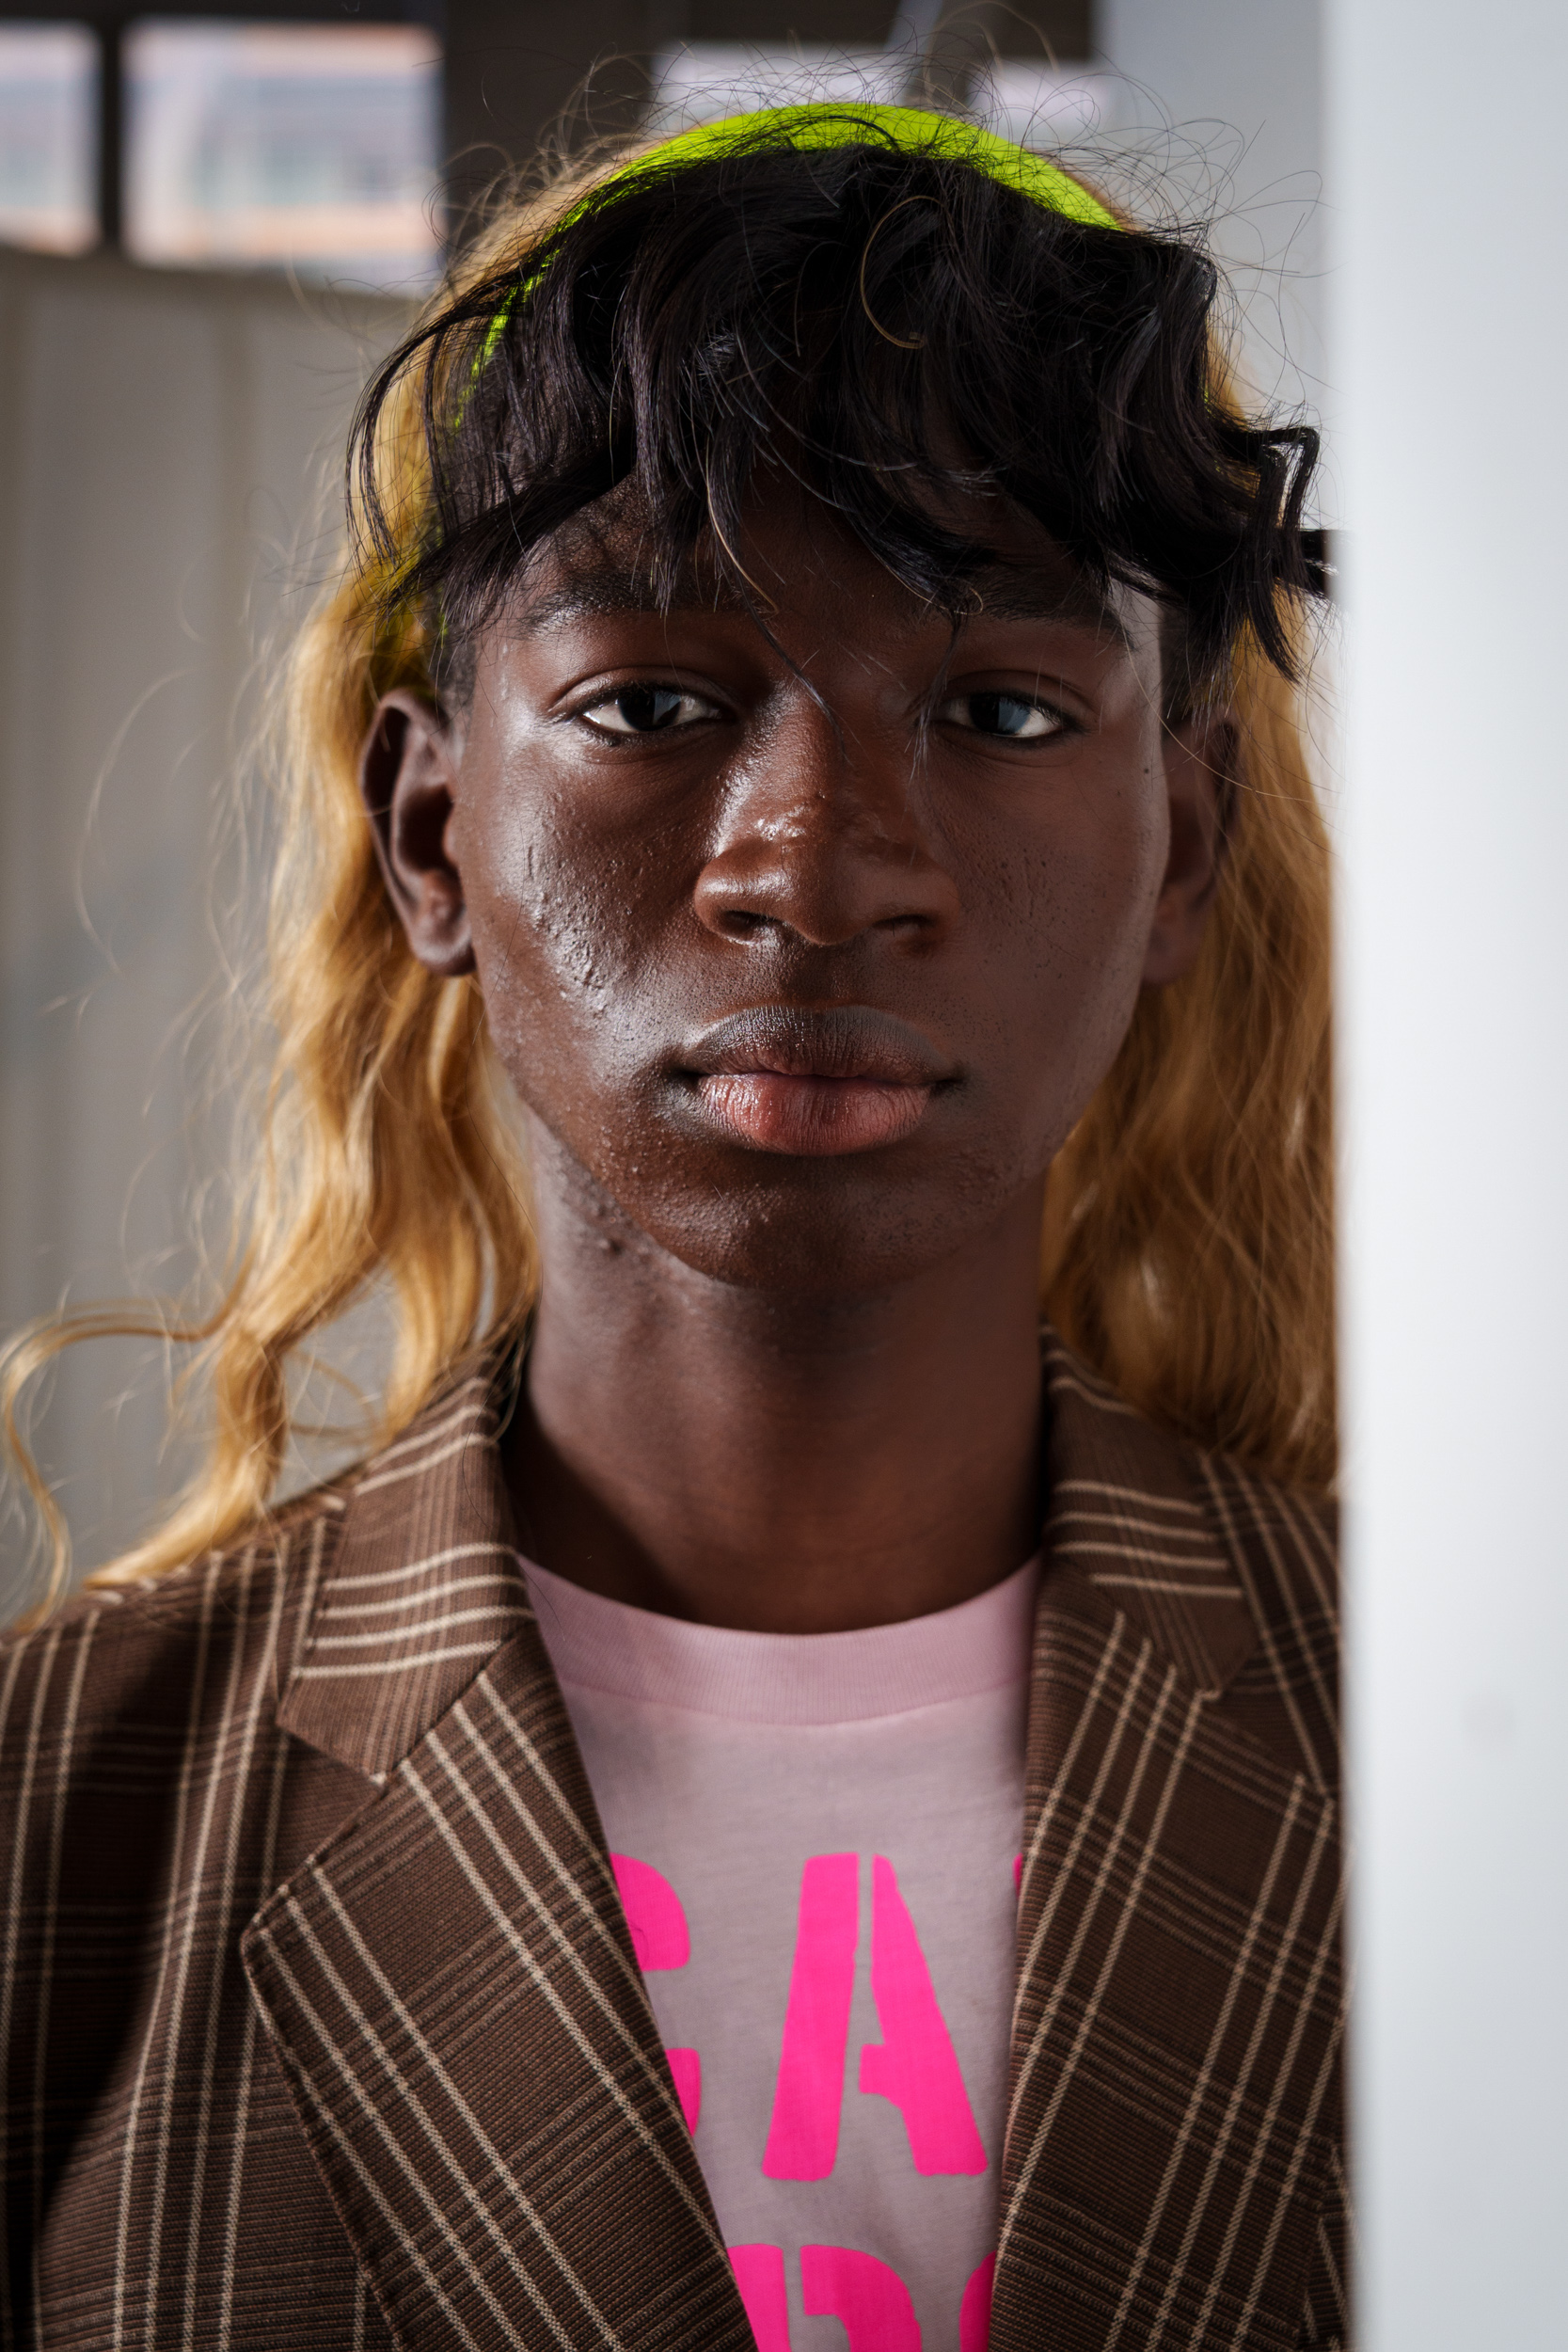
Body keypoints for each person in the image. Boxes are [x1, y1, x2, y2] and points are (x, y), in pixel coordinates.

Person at [0, 103, 1343, 2352]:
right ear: (431, 832)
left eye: (1005, 706)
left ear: (1179, 851)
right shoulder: (59, 1803)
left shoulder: (1475, 1770)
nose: (816, 865)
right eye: (651, 702)